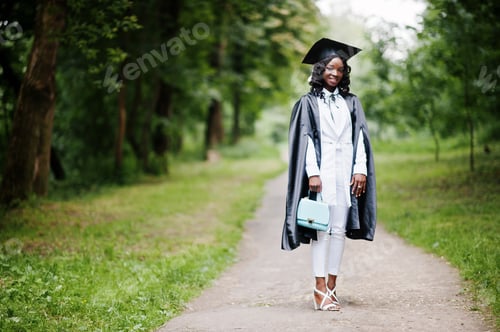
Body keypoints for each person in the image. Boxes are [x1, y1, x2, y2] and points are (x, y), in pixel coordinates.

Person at [281, 38, 377, 311]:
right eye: (330, 68)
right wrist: (312, 173)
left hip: (345, 172)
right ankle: (318, 288)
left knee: (338, 230)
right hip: (322, 173)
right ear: (320, 69)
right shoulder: (309, 103)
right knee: (321, 230)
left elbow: (360, 137)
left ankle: (332, 287)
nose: (335, 73)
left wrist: (360, 168)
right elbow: (306, 138)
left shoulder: (351, 102)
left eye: (340, 69)